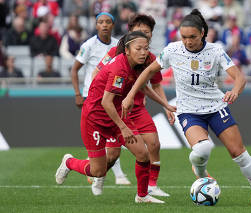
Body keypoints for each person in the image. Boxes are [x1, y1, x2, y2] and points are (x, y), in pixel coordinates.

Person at [122, 9, 251, 206]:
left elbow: (240, 77)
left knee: (238, 153)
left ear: (202, 33)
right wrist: (131, 95)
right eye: (184, 37)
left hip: (216, 107)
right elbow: (147, 72)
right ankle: (201, 173)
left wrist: (235, 90)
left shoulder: (215, 51)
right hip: (189, 111)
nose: (188, 41)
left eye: (192, 37)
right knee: (203, 148)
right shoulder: (172, 50)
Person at [55, 31, 175, 203]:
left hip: (115, 114)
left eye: (146, 48)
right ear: (127, 50)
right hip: (95, 119)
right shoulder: (120, 69)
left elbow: (143, 87)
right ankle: (69, 162)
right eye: (138, 48)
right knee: (98, 171)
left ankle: (142, 196)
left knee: (143, 154)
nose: (143, 52)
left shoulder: (139, 63)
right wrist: (124, 128)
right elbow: (106, 102)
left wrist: (165, 104)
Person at [92, 14, 173, 197]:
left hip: (137, 108)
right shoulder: (116, 53)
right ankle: (99, 174)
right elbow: (97, 73)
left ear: (151, 35)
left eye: (146, 32)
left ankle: (151, 186)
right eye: (139, 31)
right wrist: (99, 100)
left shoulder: (151, 58)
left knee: (154, 144)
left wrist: (166, 106)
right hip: (116, 110)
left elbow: (156, 85)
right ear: (130, 34)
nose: (143, 34)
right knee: (112, 155)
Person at [70, 12, 130, 185]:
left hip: (112, 96)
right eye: (100, 22)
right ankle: (104, 173)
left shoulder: (119, 46)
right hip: (93, 97)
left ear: (113, 25)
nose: (104, 25)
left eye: (108, 22)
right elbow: (74, 70)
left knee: (112, 144)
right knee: (100, 139)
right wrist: (77, 94)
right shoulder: (89, 45)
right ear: (96, 25)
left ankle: (105, 174)